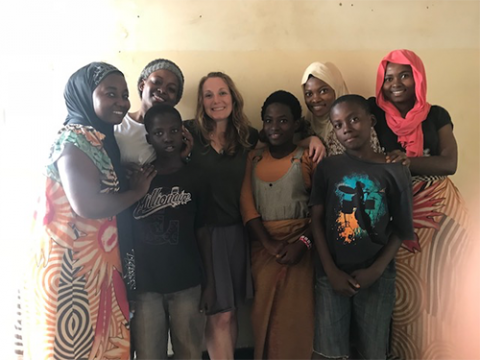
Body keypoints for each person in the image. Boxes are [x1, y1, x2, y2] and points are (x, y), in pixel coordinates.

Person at [14, 62, 156, 359]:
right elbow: (87, 204)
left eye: (124, 94)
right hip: (71, 269)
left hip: (89, 265)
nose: (121, 102)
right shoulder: (76, 139)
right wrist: (137, 192)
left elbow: (95, 183)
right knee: (75, 346)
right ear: (84, 94)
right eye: (110, 93)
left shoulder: (98, 138)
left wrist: (120, 175)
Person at [369, 49, 471, 359]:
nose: (396, 83)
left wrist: (407, 162)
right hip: (399, 211)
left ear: (418, 78)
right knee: (404, 294)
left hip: (441, 212)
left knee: (444, 291)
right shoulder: (373, 114)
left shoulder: (436, 114)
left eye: (404, 75)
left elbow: (449, 162)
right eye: (388, 78)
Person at [310, 95, 414, 360]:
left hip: (377, 276)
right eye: (338, 124)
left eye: (354, 119)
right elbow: (317, 222)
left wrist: (376, 270)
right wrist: (330, 271)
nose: (346, 128)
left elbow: (402, 228)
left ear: (371, 121)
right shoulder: (327, 169)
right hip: (331, 275)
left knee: (373, 350)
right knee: (330, 352)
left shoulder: (394, 170)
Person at [183, 72, 258, 360]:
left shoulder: (248, 135)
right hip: (204, 234)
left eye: (222, 92)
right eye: (209, 95)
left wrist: (311, 140)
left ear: (233, 97)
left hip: (237, 233)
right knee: (219, 313)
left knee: (231, 311)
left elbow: (281, 145)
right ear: (201, 102)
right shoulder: (188, 133)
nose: (217, 100)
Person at [131, 104, 213, 360]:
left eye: (174, 130)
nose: (167, 137)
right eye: (159, 133)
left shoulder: (197, 177)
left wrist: (209, 283)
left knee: (189, 352)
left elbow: (204, 232)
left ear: (183, 132)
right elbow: (128, 236)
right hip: (146, 286)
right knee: (148, 354)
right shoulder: (140, 179)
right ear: (148, 138)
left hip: (187, 283)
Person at [240, 90, 315, 360]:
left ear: (296, 124)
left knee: (298, 320)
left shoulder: (307, 157)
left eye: (283, 121)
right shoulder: (253, 159)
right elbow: (247, 206)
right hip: (263, 251)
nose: (275, 127)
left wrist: (303, 243)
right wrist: (269, 244)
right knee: (264, 319)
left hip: (301, 252)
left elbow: (322, 210)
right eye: (268, 121)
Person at [114, 58, 191, 166]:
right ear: (142, 85)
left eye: (171, 89)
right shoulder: (118, 125)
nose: (163, 90)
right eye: (157, 82)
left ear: (176, 99)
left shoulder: (177, 133)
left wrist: (181, 157)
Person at [300, 61, 382, 155]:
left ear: (336, 89)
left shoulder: (356, 122)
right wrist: (310, 140)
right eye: (309, 94)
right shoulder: (306, 126)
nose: (315, 99)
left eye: (323, 91)